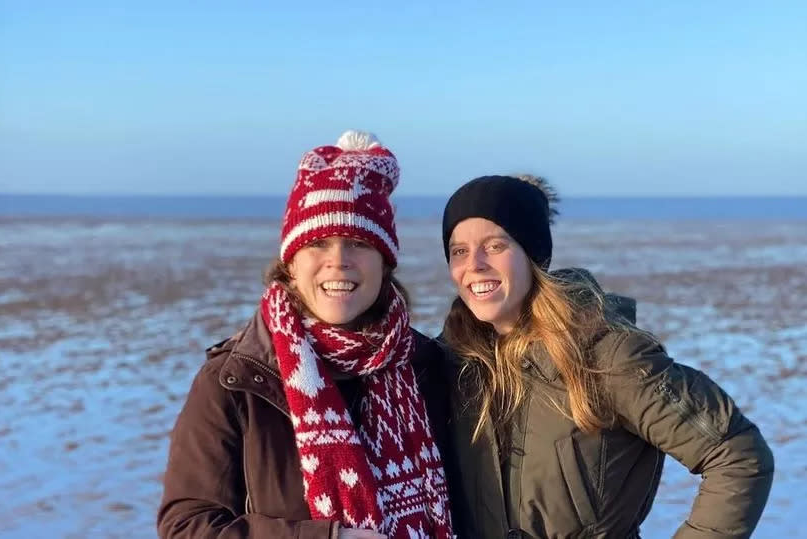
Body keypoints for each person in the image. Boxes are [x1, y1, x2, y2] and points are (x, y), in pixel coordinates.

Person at [439, 175, 774, 538]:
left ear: (533, 255)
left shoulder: (605, 356)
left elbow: (736, 453)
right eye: (459, 250)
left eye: (495, 246)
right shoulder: (447, 365)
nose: (474, 264)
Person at [158, 131, 454, 539]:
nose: (338, 261)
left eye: (358, 243)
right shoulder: (236, 381)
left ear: (385, 264)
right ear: (291, 265)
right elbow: (186, 526)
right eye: (318, 244)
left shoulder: (428, 367)